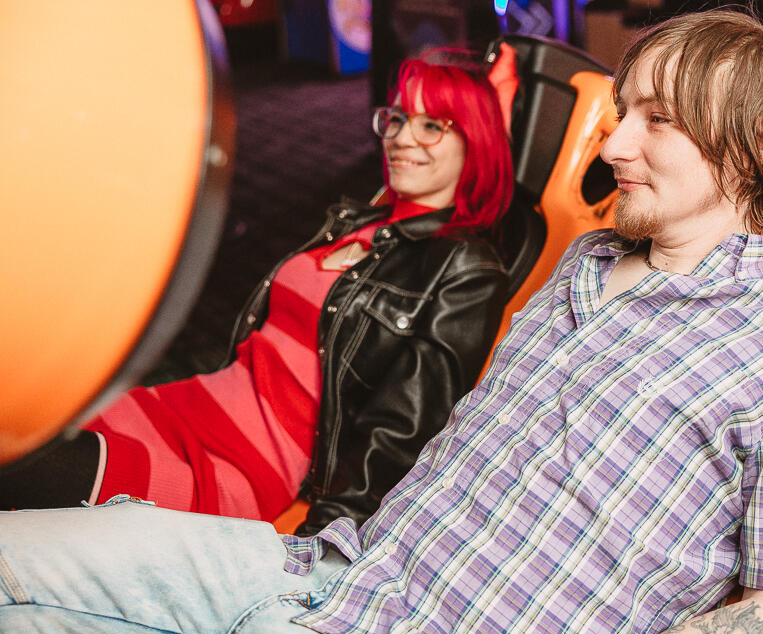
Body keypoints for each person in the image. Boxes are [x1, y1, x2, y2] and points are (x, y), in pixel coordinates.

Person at [0, 9, 763, 634]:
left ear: (756, 145)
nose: (614, 146)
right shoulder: (588, 262)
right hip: (323, 577)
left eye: (657, 121)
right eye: (620, 114)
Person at [0, 55, 512, 535]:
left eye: (431, 125)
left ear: (475, 140)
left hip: (244, 461)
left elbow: (402, 427)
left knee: (25, 468)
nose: (401, 137)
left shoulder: (466, 268)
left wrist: (321, 544)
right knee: (22, 430)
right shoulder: (359, 221)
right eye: (397, 119)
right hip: (190, 404)